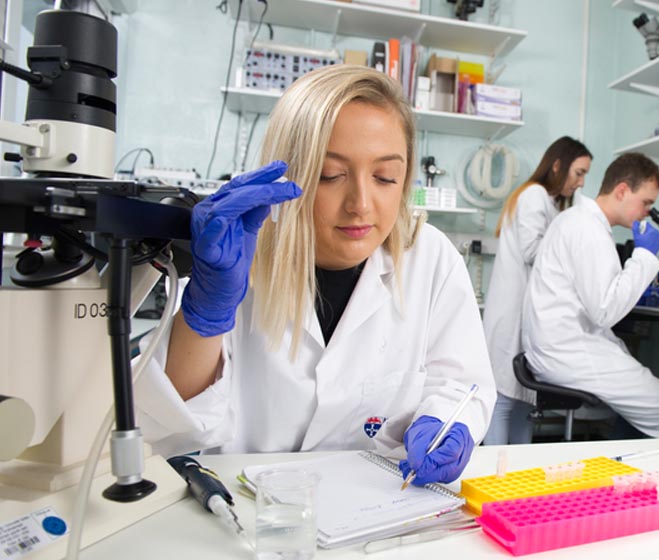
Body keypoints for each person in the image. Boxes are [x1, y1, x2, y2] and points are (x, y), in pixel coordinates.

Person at [136, 65, 496, 487]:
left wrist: (445, 423)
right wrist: (206, 313)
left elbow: (460, 385)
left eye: (385, 177)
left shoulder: (430, 258)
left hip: (379, 511)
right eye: (331, 175)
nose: (361, 204)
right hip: (252, 516)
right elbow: (171, 430)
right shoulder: (236, 257)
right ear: (291, 175)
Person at [521, 152, 659, 438]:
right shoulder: (587, 229)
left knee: (643, 390)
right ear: (621, 191)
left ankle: (629, 464)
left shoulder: (578, 221)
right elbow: (605, 311)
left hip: (563, 346)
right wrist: (643, 255)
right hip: (568, 352)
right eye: (646, 202)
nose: (647, 212)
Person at [482, 137, 592, 445]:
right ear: (558, 165)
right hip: (513, 311)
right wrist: (574, 241)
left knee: (522, 400)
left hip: (525, 311)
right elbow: (532, 250)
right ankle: (495, 480)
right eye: (578, 172)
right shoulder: (534, 195)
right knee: (504, 399)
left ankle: (518, 481)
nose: (581, 182)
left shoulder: (547, 202)